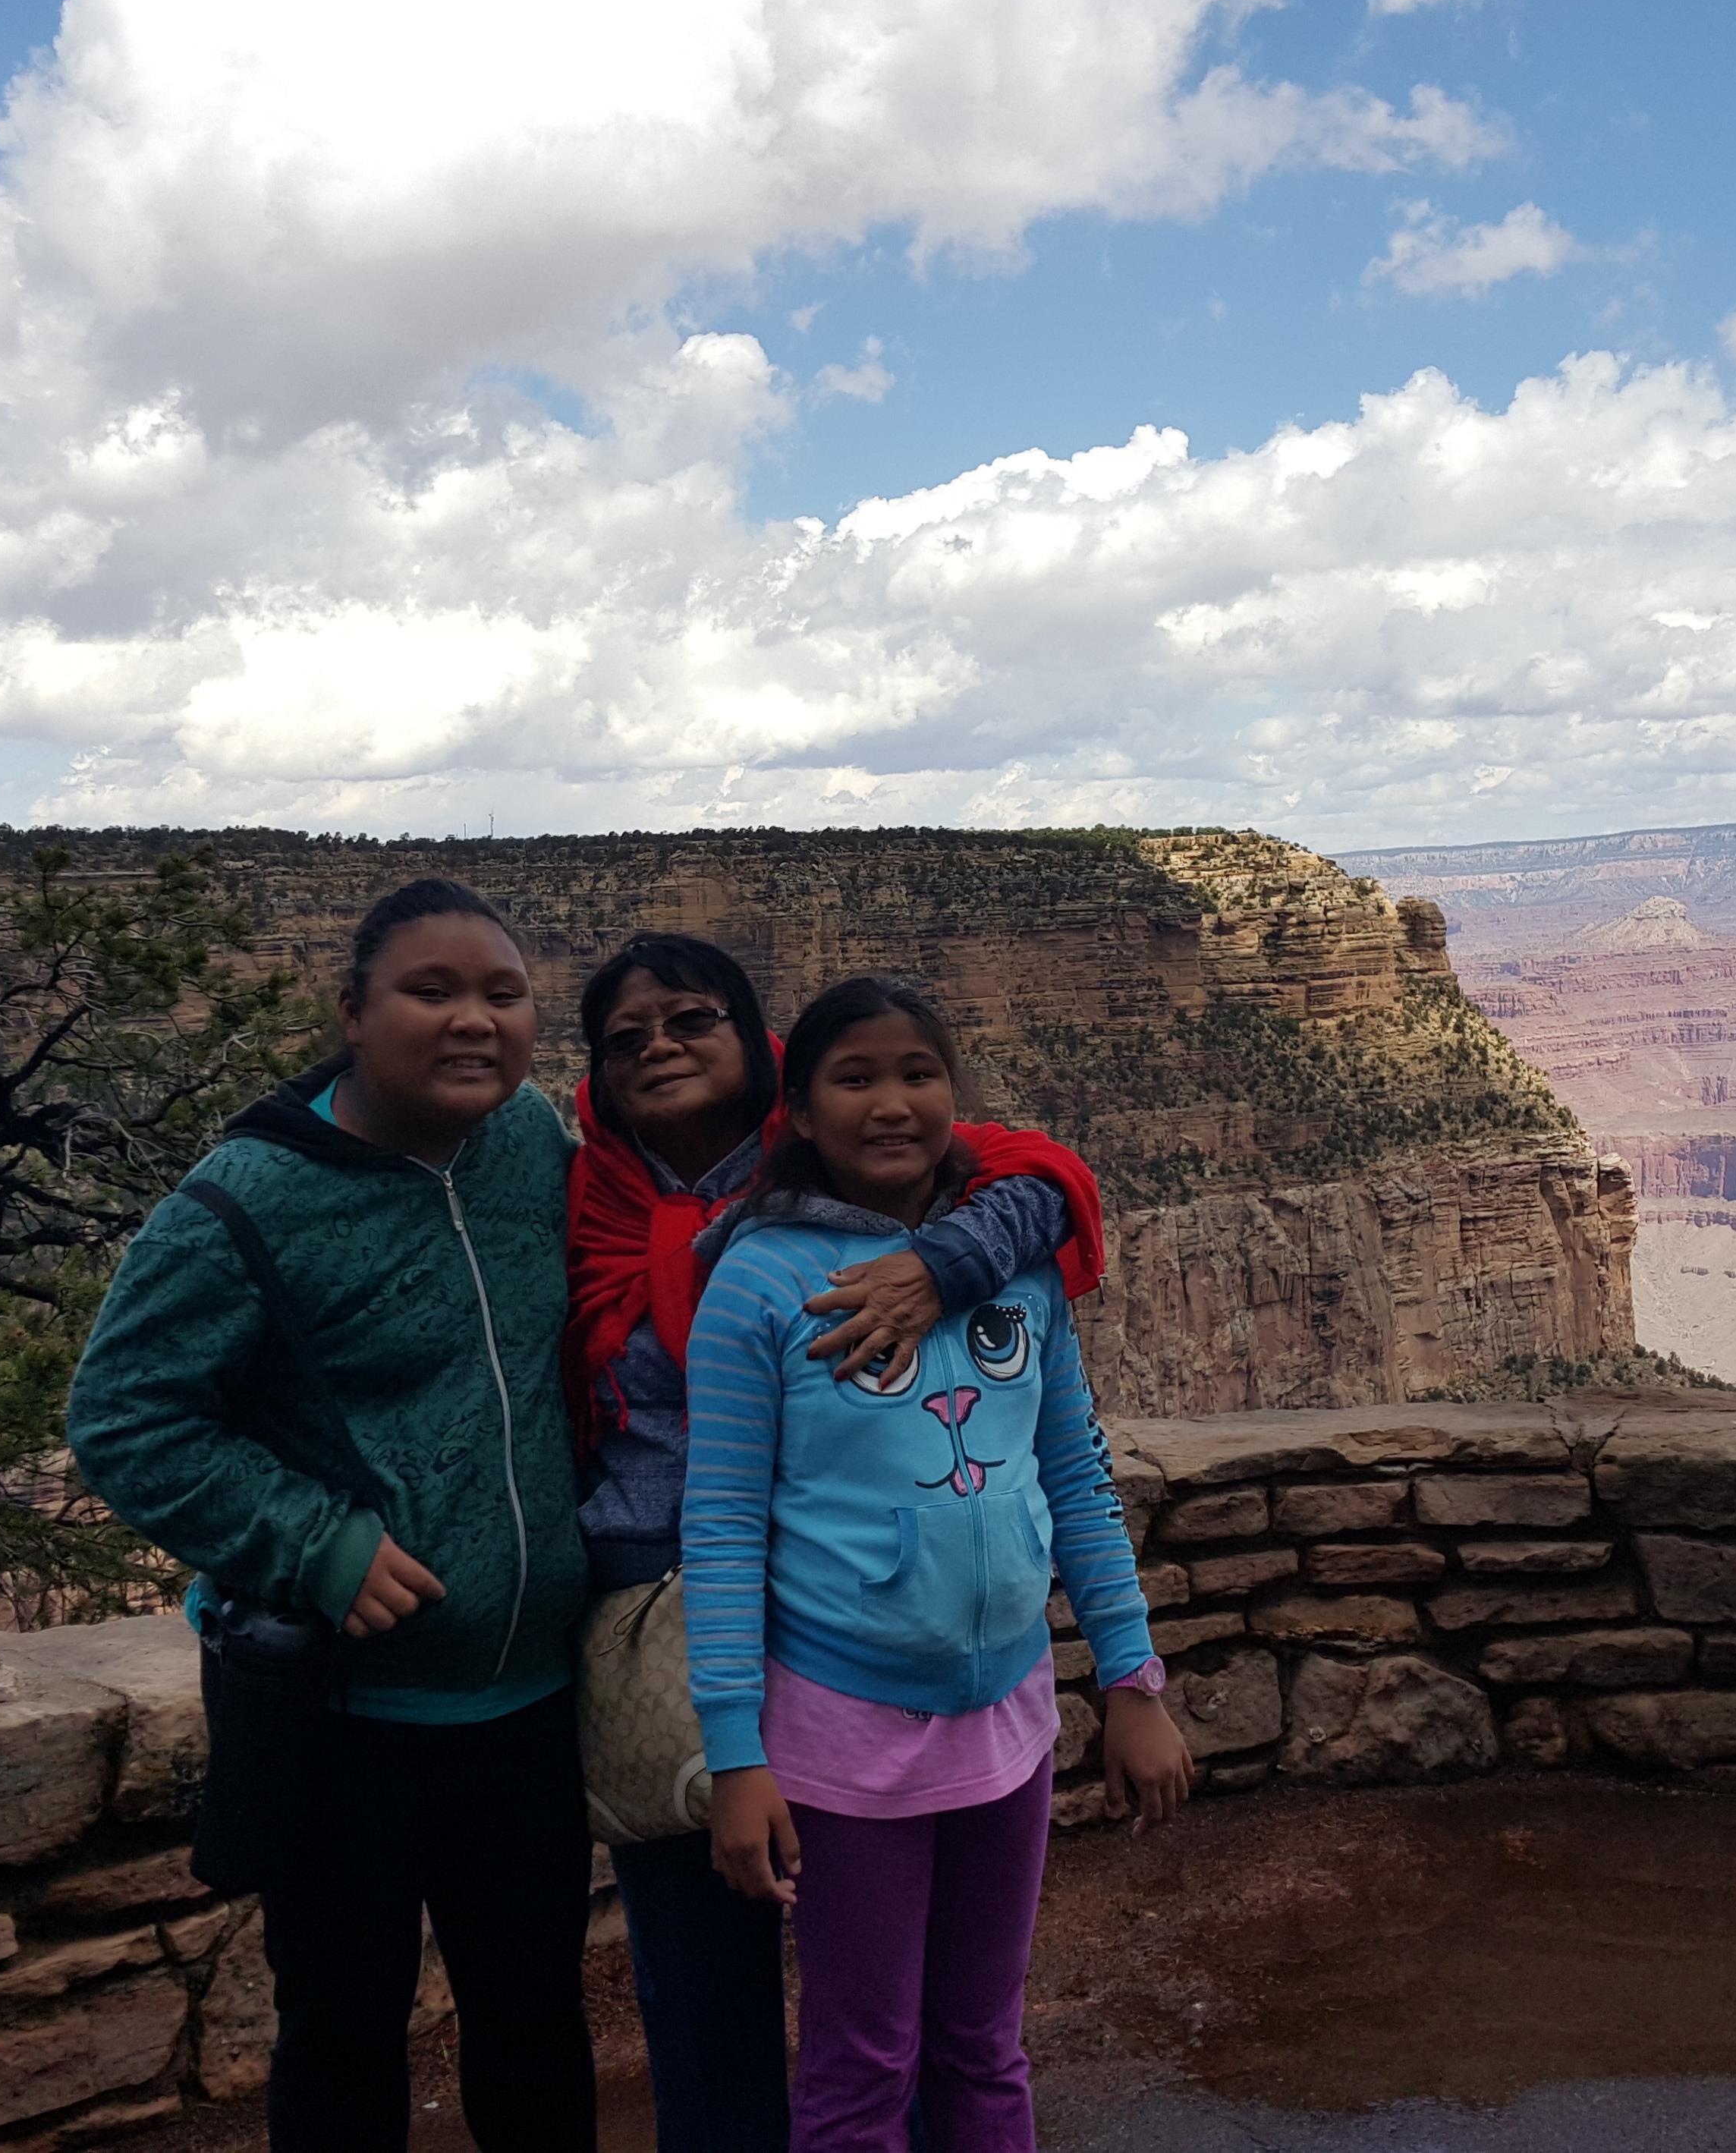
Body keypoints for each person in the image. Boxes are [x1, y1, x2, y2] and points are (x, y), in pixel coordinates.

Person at [67, 879, 593, 2153]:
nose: (474, 1021)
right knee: (344, 2039)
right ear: (353, 1010)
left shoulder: (537, 1146)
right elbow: (125, 1414)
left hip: (531, 1705)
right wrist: (317, 1543)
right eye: (432, 991)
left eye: (503, 994)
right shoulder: (248, 1198)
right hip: (347, 1720)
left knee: (536, 2026)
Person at [564, 936, 1102, 2151]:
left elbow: (1044, 1179)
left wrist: (945, 1260)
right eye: (625, 1036)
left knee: (899, 2015)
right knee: (705, 1983)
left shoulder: (863, 1182)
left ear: (764, 1057)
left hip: (851, 1619)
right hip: (664, 1605)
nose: (659, 1044)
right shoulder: (582, 1196)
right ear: (595, 1077)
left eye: (692, 1018)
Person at [680, 976, 1194, 2153]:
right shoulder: (760, 1282)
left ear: (954, 1095)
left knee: (985, 2046)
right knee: (862, 2065)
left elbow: (1074, 1479)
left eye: (918, 1073)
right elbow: (716, 1528)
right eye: (854, 1078)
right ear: (800, 1112)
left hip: (1007, 1721)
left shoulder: (1016, 1264)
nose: (893, 1102)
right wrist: (736, 1753)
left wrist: (1133, 1681)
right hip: (841, 1733)